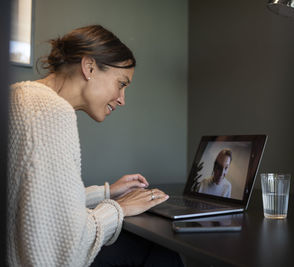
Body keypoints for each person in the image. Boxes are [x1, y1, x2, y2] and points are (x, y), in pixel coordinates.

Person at [7, 25, 183, 267]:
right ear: (89, 67)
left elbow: (36, 203)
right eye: (121, 84)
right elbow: (63, 247)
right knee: (160, 253)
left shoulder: (20, 95)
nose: (122, 100)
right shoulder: (50, 112)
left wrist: (105, 193)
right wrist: (119, 207)